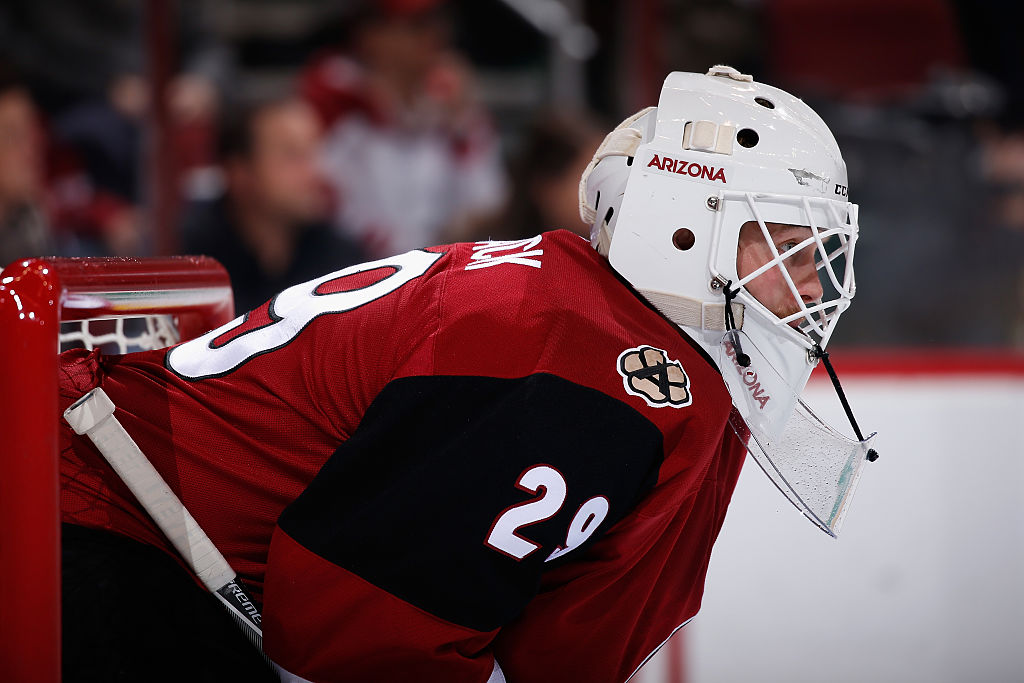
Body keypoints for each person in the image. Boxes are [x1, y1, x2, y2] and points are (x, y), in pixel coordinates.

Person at [58, 67, 875, 682]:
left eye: (821, 248)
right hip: (108, 532)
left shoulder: (624, 346)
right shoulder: (570, 364)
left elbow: (566, 652)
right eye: (783, 238)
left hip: (148, 536)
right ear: (683, 228)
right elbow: (352, 629)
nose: (815, 282)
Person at [301, 0, 507, 257]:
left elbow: (488, 204)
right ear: (371, 34)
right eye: (417, 25)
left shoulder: (452, 104)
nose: (434, 34)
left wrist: (464, 122)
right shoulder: (336, 98)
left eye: (438, 20)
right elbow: (318, 206)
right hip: (349, 274)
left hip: (440, 270)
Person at [181, 96, 367, 313]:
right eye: (292, 156)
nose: (315, 172)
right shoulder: (189, 259)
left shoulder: (342, 259)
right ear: (240, 173)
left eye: (314, 153)